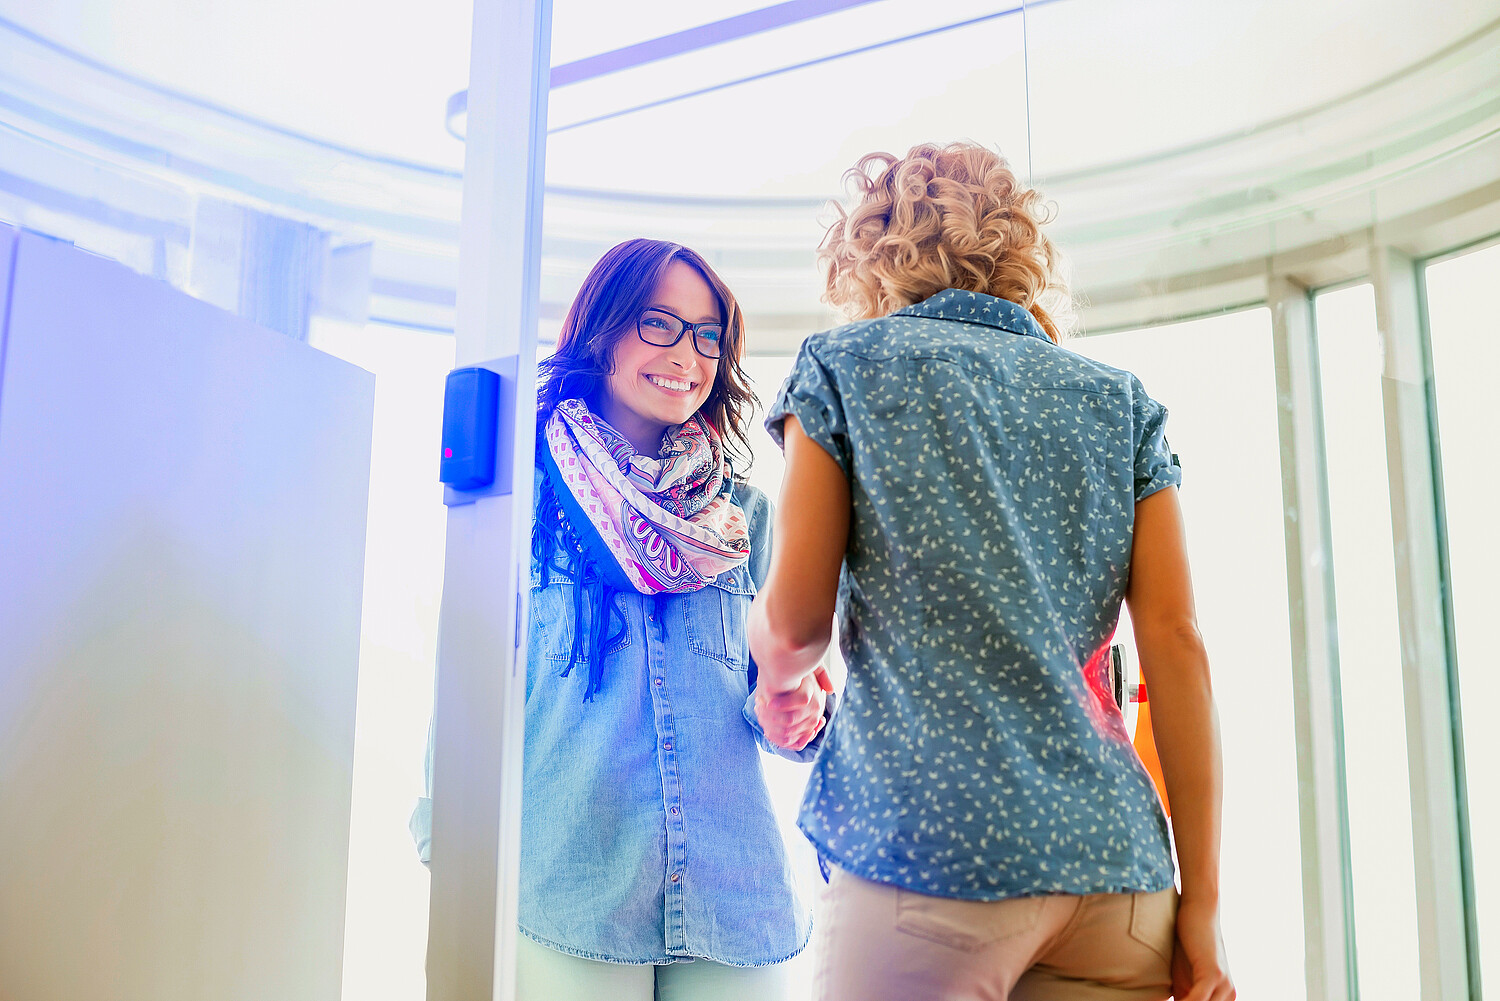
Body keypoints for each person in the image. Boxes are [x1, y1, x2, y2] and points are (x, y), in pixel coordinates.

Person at [749, 144, 1236, 1001]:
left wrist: (778, 678)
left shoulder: (846, 367)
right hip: (1115, 870)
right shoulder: (1118, 402)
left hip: (929, 853)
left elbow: (794, 625)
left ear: (870, 261)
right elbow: (1177, 641)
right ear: (1021, 259)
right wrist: (1203, 905)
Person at [412, 238, 832, 1001]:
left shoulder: (746, 518)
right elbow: (465, 692)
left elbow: (785, 712)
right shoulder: (518, 502)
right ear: (602, 330)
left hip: (734, 900)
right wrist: (450, 848)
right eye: (660, 323)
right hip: (570, 892)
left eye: (709, 335)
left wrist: (801, 715)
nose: (688, 354)